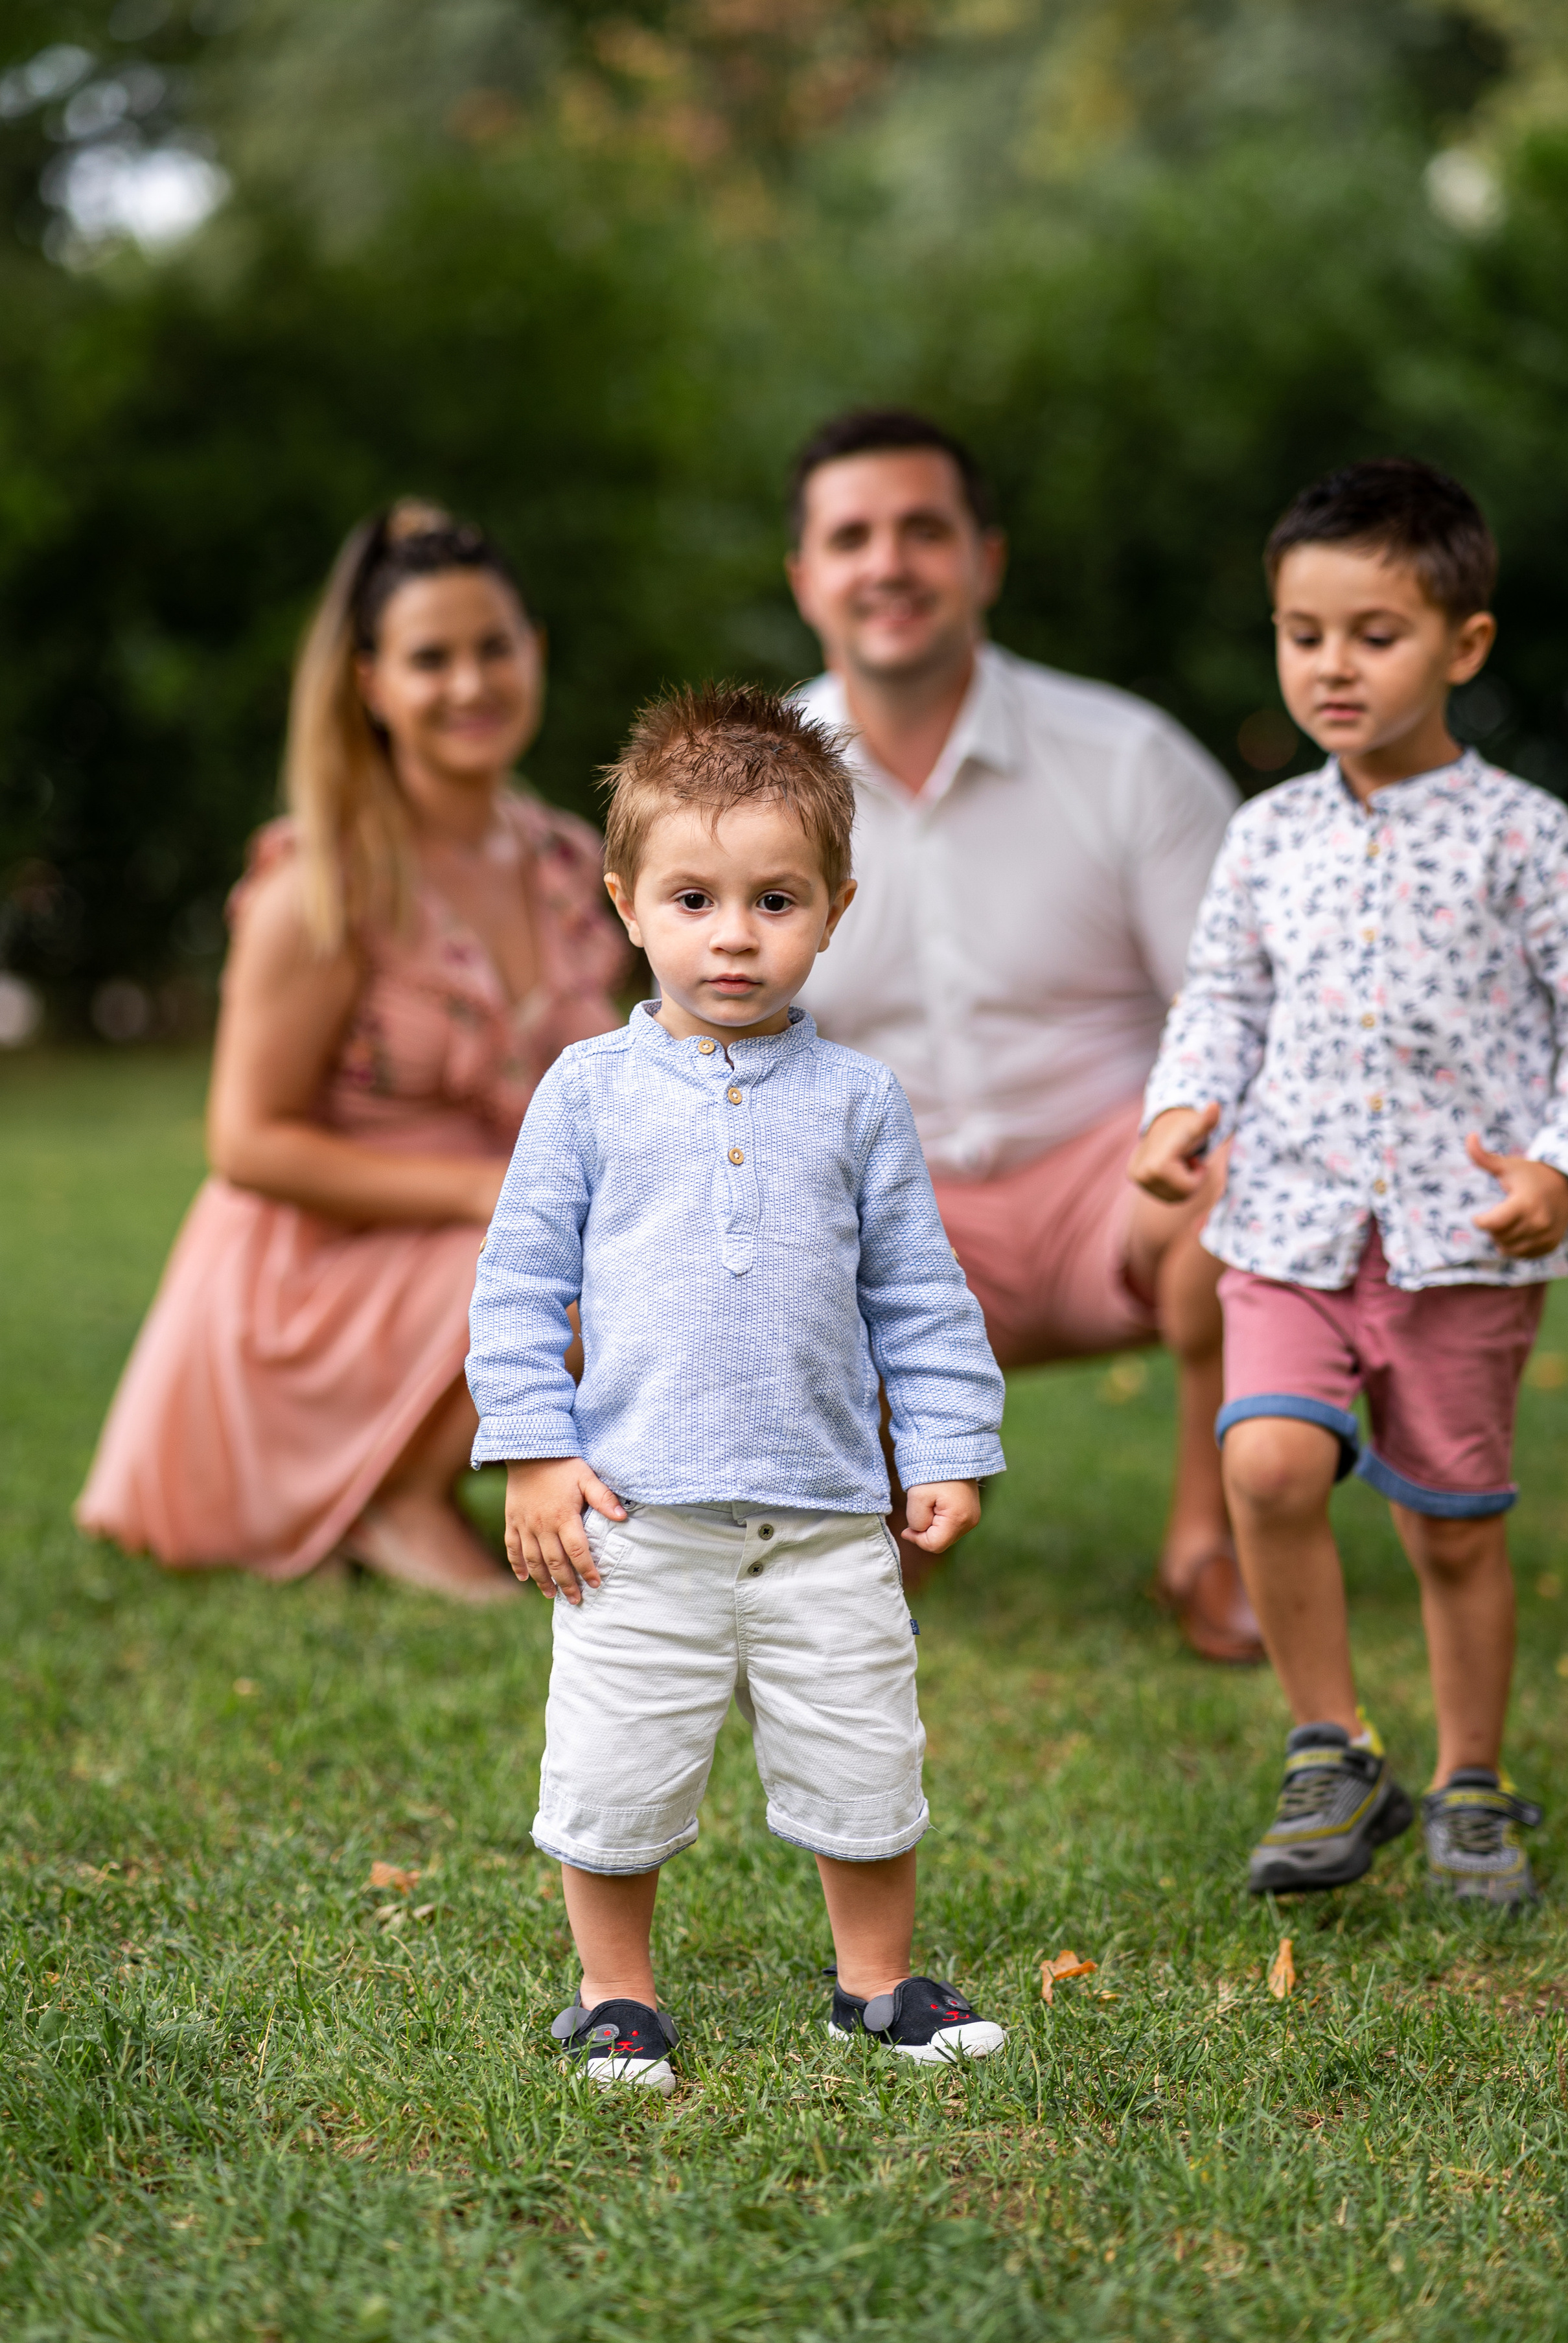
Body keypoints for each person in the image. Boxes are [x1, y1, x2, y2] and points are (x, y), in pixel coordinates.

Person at [467, 683, 1009, 2092]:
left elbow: (919, 1296)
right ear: (625, 906)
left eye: (774, 901)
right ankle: (613, 1995)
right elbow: (517, 1285)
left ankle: (875, 1985)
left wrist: (947, 1447)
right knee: (618, 1764)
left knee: (864, 1755)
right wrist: (533, 1450)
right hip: (634, 1516)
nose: (732, 935)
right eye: (693, 900)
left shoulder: (860, 1103)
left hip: (827, 1515)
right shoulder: (587, 1091)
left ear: (834, 907)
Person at [1132, 457, 1568, 1907]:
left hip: (1461, 1246)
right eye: (1303, 635)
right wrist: (1182, 1107)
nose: (1332, 667)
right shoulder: (1266, 837)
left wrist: (1566, 1166)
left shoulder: (1523, 836)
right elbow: (1221, 1001)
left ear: (1462, 646)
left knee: (1449, 1528)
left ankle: (1471, 1783)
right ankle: (1334, 1748)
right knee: (1265, 1464)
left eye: (1375, 635)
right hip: (1287, 1224)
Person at [76, 502, 627, 1598]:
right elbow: (247, 1144)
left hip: (472, 1246)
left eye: (494, 647)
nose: (470, 684)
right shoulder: (322, 888)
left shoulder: (571, 862)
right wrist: (483, 1191)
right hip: (317, 1276)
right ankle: (399, 1498)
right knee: (572, 1273)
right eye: (430, 659)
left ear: (537, 651)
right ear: (371, 683)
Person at [786, 406, 1262, 1660]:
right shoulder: (753, 787)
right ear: (804, 579)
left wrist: (1180, 1136)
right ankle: (875, 1516)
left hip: (1114, 1185)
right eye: (851, 538)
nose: (888, 564)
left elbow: (1237, 1012)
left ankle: (1212, 1543)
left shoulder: (1126, 757)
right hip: (887, 1202)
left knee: (1243, 1164)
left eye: (923, 530)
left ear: (985, 560)